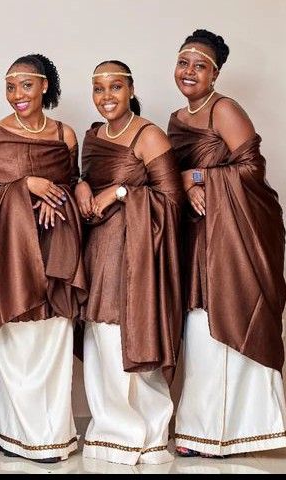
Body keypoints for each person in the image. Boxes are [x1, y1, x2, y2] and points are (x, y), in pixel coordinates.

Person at [168, 29, 286, 457]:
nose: (189, 72)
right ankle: (201, 428)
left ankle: (230, 431)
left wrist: (199, 178)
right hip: (197, 232)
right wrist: (181, 187)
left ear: (215, 73)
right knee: (198, 326)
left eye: (200, 65)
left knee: (224, 318)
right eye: (184, 62)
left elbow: (252, 168)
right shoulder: (176, 119)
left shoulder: (225, 110)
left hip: (233, 233)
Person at [0, 53, 87, 463]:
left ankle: (53, 436)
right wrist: (26, 187)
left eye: (25, 85)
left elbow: (74, 185)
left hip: (57, 244)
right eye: (10, 86)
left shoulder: (66, 134)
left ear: (45, 85)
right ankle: (16, 434)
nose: (17, 94)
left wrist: (55, 199)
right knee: (20, 341)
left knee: (54, 340)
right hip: (13, 252)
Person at [74, 60, 184, 465]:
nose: (107, 97)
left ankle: (150, 434)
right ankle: (112, 432)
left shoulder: (149, 135)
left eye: (115, 87)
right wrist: (84, 186)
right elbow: (83, 178)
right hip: (99, 248)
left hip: (137, 253)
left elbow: (172, 199)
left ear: (131, 89)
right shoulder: (93, 136)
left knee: (133, 333)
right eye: (99, 88)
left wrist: (120, 192)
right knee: (101, 337)